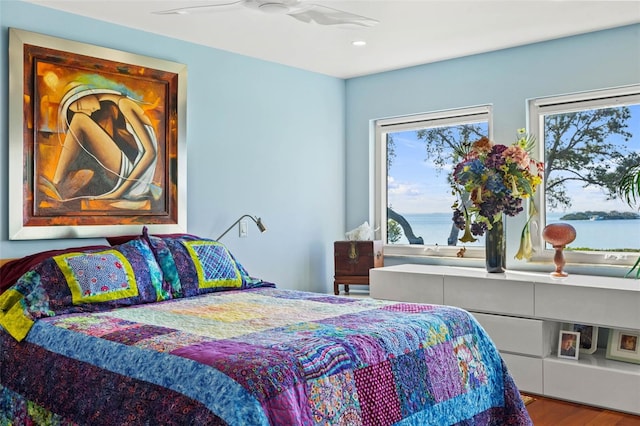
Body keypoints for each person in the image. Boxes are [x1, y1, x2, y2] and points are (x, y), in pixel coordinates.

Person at [39, 81, 160, 203]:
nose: (87, 112)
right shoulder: (112, 109)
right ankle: (60, 186)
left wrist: (117, 194)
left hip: (135, 180)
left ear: (85, 94)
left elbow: (151, 153)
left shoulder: (124, 104)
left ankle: (56, 183)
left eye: (80, 105)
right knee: (79, 122)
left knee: (79, 119)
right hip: (128, 173)